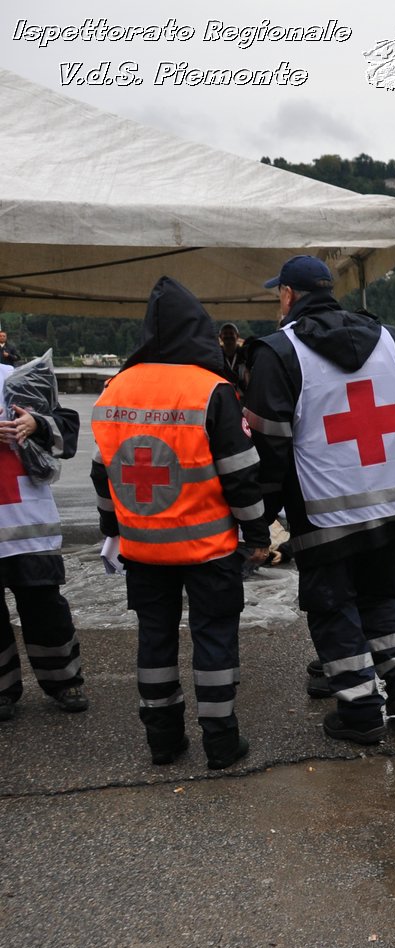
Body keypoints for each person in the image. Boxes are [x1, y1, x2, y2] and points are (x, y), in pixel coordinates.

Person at [243, 255, 395, 746]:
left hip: (322, 508)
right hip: (388, 502)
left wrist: (261, 516)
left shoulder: (278, 351)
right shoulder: (388, 340)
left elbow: (270, 443)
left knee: (332, 606)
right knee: (380, 593)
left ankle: (360, 709)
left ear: (288, 295)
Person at [89, 277, 270, 768]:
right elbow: (240, 473)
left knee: (155, 638)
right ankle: (221, 744)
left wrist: (113, 530)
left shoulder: (113, 389)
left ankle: (164, 743)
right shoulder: (211, 390)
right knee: (213, 637)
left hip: (143, 548)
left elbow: (103, 474)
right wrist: (256, 534)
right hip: (207, 547)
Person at [0, 347, 88, 721]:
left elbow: (67, 429)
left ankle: (64, 680)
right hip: (23, 516)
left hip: (27, 521)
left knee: (44, 607)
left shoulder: (18, 377)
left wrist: (37, 424)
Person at [217, 322, 251, 395]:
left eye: (231, 333)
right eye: (225, 333)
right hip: (222, 394)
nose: (228, 336)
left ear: (237, 336)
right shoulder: (217, 356)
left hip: (242, 396)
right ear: (220, 336)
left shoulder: (244, 355)